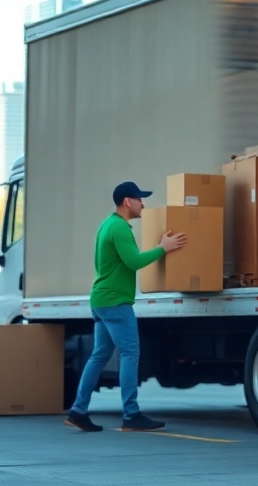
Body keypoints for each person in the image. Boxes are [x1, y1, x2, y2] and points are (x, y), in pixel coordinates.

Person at [64, 181, 187, 433]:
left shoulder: (105, 225)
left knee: (99, 356)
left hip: (100, 301)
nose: (144, 203)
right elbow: (133, 262)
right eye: (140, 199)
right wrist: (163, 248)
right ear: (128, 202)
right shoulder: (120, 228)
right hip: (115, 302)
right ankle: (131, 415)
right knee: (130, 354)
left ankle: (78, 411)